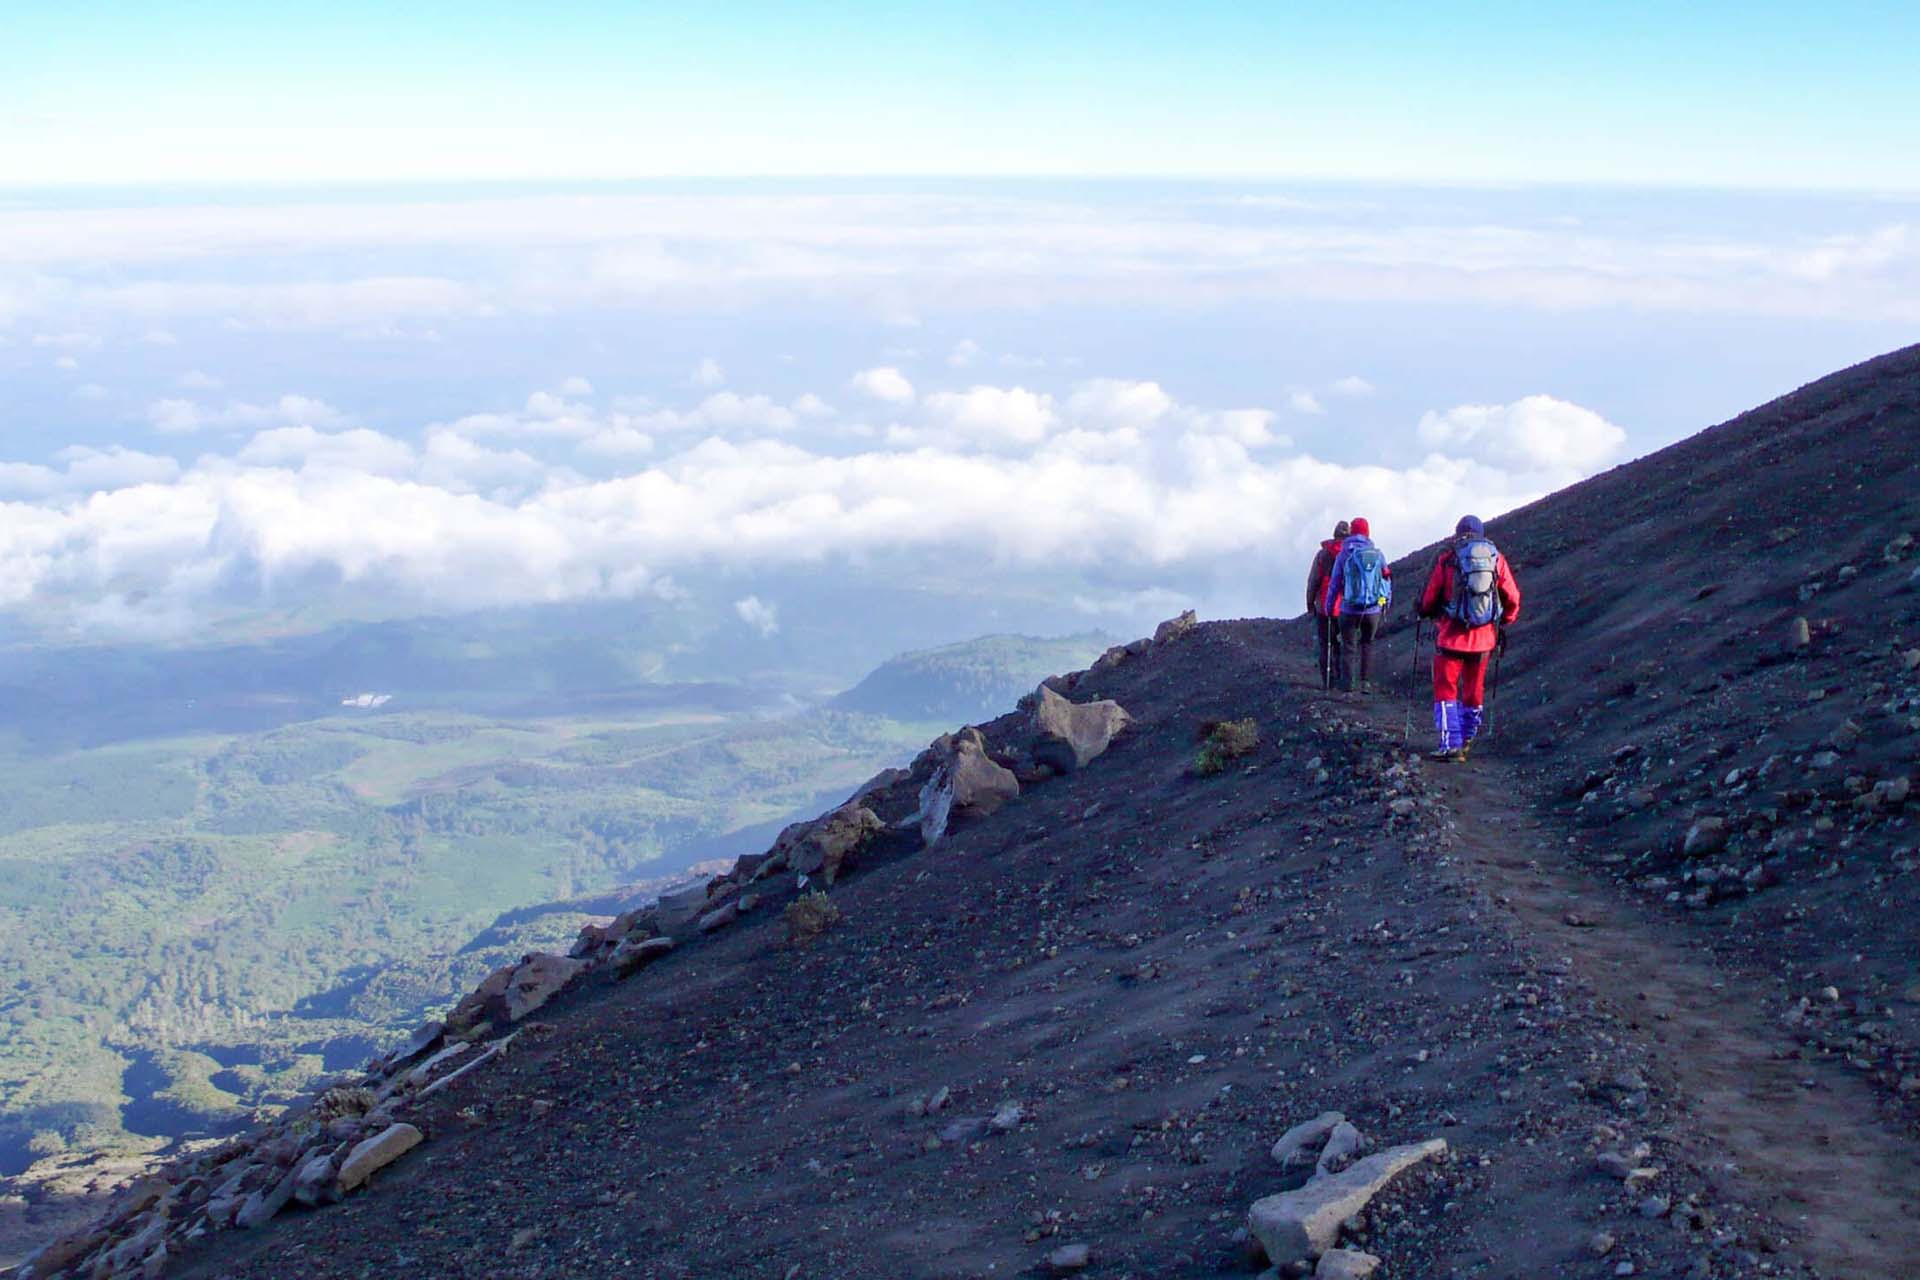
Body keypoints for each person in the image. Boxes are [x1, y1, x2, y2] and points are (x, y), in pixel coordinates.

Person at [1417, 514, 1521, 761]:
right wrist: (1504, 620)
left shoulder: (1448, 558)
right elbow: (1512, 596)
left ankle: (1450, 744)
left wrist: (1425, 611)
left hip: (1451, 637)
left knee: (1446, 690)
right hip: (1483, 639)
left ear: (1458, 533)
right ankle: (1467, 739)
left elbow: (1430, 597)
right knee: (1474, 690)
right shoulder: (1495, 558)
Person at [1323, 516, 1392, 694]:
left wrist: (1329, 607)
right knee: (1367, 644)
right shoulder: (1377, 554)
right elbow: (1386, 581)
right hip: (1372, 610)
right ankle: (1365, 683)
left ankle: (1348, 685)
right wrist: (1383, 604)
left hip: (1349, 609)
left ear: (1351, 532)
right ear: (1368, 533)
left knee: (1349, 646)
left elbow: (1335, 584)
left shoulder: (1344, 554)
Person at [1305, 520, 1351, 689]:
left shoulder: (1322, 555)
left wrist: (1310, 603)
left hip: (1324, 606)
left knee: (1326, 644)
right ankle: (1343, 679)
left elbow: (1313, 581)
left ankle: (1328, 681)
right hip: (1346, 606)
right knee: (1344, 643)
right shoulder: (1351, 554)